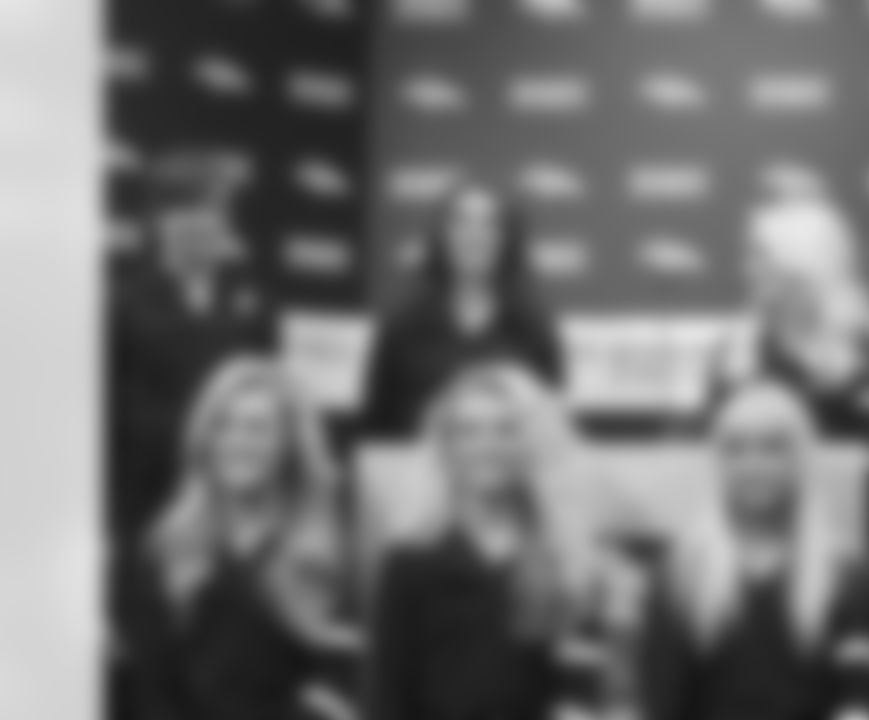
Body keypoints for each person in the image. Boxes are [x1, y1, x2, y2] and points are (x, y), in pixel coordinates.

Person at [111, 356, 356, 720]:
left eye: (257, 428)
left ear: (289, 445)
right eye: (223, 425)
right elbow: (150, 692)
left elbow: (346, 684)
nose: (238, 441)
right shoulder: (164, 550)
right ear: (205, 440)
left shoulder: (327, 555)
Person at [640, 379, 869, 720]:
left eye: (772, 448)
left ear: (801, 460)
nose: (753, 465)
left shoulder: (851, 578)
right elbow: (663, 704)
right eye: (736, 450)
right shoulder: (680, 575)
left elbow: (861, 696)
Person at [363, 362, 595, 720]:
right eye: (468, 431)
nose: (487, 446)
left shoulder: (562, 554)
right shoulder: (411, 559)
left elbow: (580, 681)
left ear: (531, 443)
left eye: (505, 430)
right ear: (446, 447)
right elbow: (385, 694)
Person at [109, 149, 274, 548]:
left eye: (213, 211)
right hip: (148, 498)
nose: (201, 223)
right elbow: (106, 412)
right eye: (186, 211)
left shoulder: (251, 301)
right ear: (160, 222)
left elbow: (270, 395)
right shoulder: (125, 304)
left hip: (232, 496)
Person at [361, 184, 565, 440]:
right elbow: (379, 425)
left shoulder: (533, 326)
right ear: (442, 236)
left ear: (507, 239)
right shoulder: (403, 325)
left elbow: (551, 428)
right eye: (461, 223)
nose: (474, 235)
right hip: (417, 463)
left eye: (489, 225)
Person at [714, 191, 869, 439]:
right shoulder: (735, 350)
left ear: (801, 260)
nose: (747, 270)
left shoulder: (865, 347)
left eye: (760, 256)